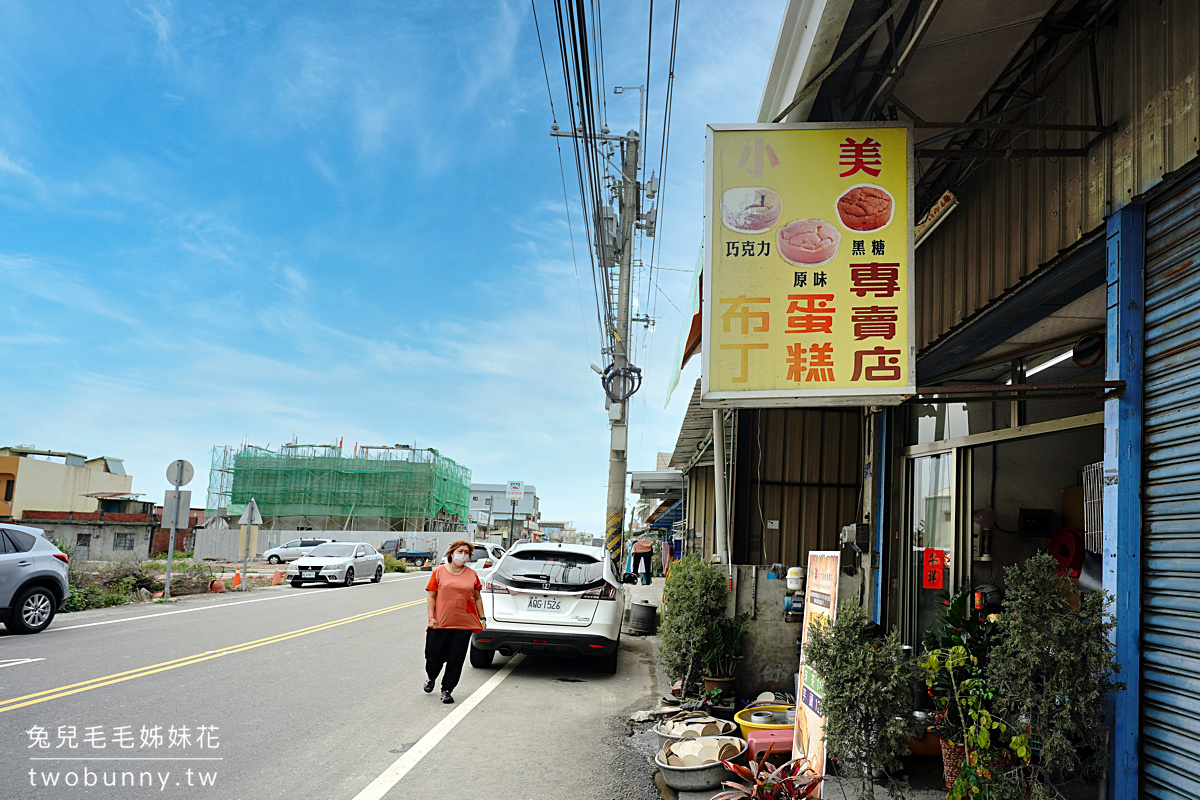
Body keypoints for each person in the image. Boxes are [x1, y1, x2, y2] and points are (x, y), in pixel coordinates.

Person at [424, 539, 486, 704]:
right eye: (460, 552)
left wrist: (482, 617)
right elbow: (431, 596)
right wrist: (431, 618)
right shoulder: (438, 572)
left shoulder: (472, 575)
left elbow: (478, 598)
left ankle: (447, 690)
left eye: (466, 553)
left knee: (456, 659)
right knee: (433, 657)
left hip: (463, 624)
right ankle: (431, 677)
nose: (463, 555)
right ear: (451, 553)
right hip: (440, 623)